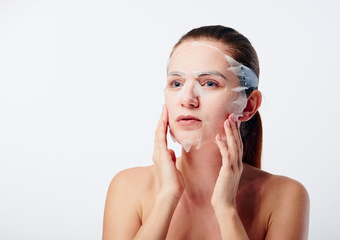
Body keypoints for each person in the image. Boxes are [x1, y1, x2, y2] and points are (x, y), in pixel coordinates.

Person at [102, 25, 310, 240]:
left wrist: (225, 209)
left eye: (210, 83)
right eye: (176, 83)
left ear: (248, 106)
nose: (187, 99)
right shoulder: (128, 187)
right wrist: (167, 198)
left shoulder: (285, 196)